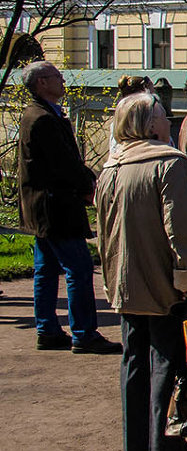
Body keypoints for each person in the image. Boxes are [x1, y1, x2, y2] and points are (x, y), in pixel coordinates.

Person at [96, 93, 187, 451]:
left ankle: (137, 449)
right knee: (168, 363)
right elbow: (182, 226)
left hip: (126, 282)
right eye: (163, 114)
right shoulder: (169, 163)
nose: (168, 119)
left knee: (133, 362)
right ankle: (166, 449)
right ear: (149, 124)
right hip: (164, 282)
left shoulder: (111, 166)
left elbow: (103, 231)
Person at [18, 60, 121, 354]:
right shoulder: (43, 119)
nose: (62, 80)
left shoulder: (39, 114)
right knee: (79, 267)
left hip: (45, 207)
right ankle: (84, 333)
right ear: (41, 83)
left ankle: (48, 329)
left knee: (46, 269)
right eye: (56, 77)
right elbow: (65, 165)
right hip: (56, 207)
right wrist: (91, 185)